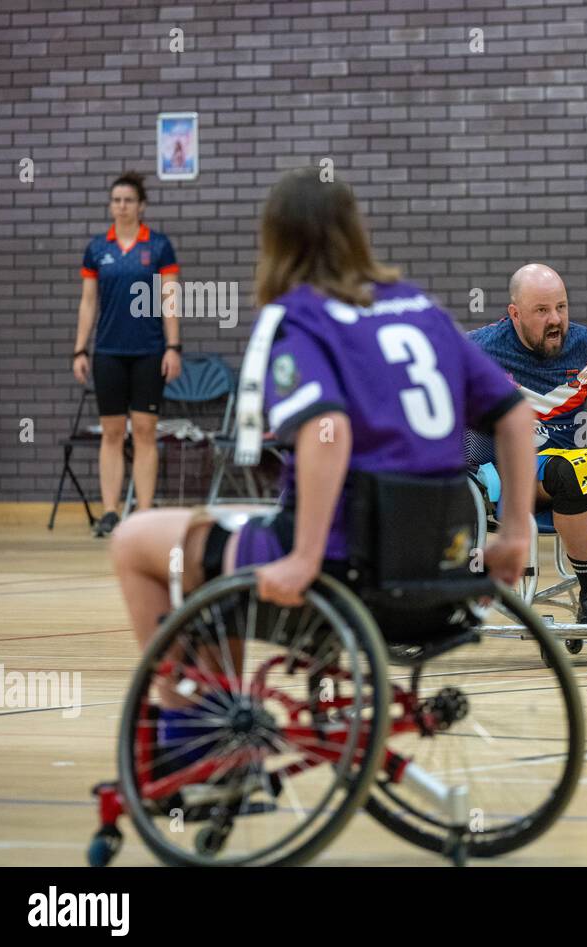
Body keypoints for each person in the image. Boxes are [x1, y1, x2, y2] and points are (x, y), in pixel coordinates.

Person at [110, 168, 535, 758]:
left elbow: (325, 432)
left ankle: (198, 741)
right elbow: (516, 417)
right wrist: (517, 532)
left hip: (341, 564)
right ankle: (214, 736)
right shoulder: (421, 308)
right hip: (434, 566)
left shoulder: (302, 315)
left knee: (136, 541)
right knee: (210, 533)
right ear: (356, 232)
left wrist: (305, 557)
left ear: (276, 241)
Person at [467, 263, 587, 624]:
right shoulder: (480, 349)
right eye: (541, 311)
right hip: (504, 473)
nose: (555, 319)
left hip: (565, 469)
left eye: (561, 307)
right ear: (515, 314)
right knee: (572, 470)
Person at [73, 172, 182, 537]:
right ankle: (110, 512)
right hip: (108, 352)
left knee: (146, 431)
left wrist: (173, 347)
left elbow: (170, 300)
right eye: (116, 200)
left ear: (141, 206)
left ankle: (146, 513)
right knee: (112, 432)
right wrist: (79, 350)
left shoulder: (160, 247)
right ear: (111, 205)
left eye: (128, 200)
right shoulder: (97, 249)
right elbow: (88, 303)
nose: (121, 206)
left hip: (149, 351)